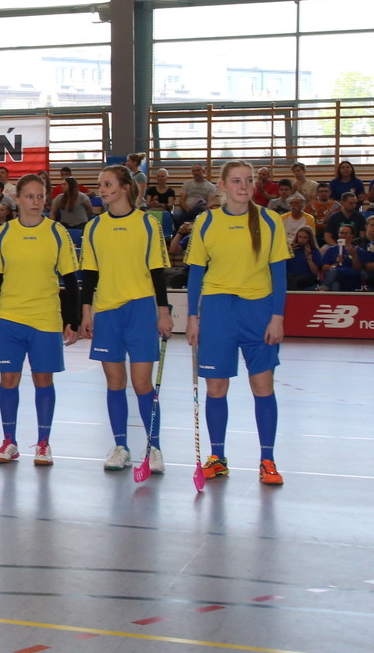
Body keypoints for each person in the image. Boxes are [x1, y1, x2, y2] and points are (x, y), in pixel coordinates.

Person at [186, 161, 288, 485]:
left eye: (248, 180)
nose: (243, 186)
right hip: (217, 311)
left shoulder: (270, 220)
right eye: (236, 181)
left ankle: (267, 460)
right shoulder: (206, 221)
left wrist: (277, 317)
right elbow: (196, 273)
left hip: (258, 311)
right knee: (216, 388)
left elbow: (279, 274)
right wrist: (192, 317)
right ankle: (217, 458)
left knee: (263, 387)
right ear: (222, 185)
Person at [0, 174, 82, 466]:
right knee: (8, 379)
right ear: (18, 199)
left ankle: (43, 443)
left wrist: (73, 320)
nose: (35, 202)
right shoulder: (3, 233)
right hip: (11, 318)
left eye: (40, 196)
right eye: (29, 196)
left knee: (43, 379)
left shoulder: (57, 232)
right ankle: (9, 441)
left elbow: (71, 280)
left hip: (45, 318)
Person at [80, 165, 174, 472]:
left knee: (142, 383)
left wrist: (163, 311)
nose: (102, 190)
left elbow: (157, 270)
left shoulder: (147, 223)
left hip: (141, 309)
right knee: (115, 382)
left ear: (124, 188)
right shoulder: (94, 227)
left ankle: (154, 448)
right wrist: (86, 310)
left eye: (108, 184)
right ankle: (121, 446)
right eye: (100, 185)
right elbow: (90, 273)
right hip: (107, 311)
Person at [319, 225, 366, 291]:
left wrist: (354, 256)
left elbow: (358, 269)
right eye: (341, 233)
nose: (343, 235)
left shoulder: (358, 250)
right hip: (334, 276)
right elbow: (323, 268)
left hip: (350, 277)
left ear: (352, 235)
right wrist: (336, 264)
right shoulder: (331, 250)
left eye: (346, 233)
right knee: (335, 284)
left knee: (334, 271)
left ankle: (322, 290)